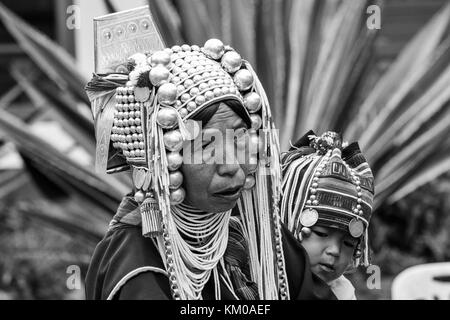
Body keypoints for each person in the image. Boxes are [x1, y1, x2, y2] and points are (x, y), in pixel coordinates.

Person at [83, 6, 289, 300]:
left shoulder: (257, 236)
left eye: (240, 136)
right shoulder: (137, 265)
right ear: (161, 161)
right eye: (205, 145)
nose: (232, 166)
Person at [280, 130, 375, 299]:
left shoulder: (343, 293)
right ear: (288, 224)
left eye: (348, 243)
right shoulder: (258, 277)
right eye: (321, 233)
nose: (335, 251)